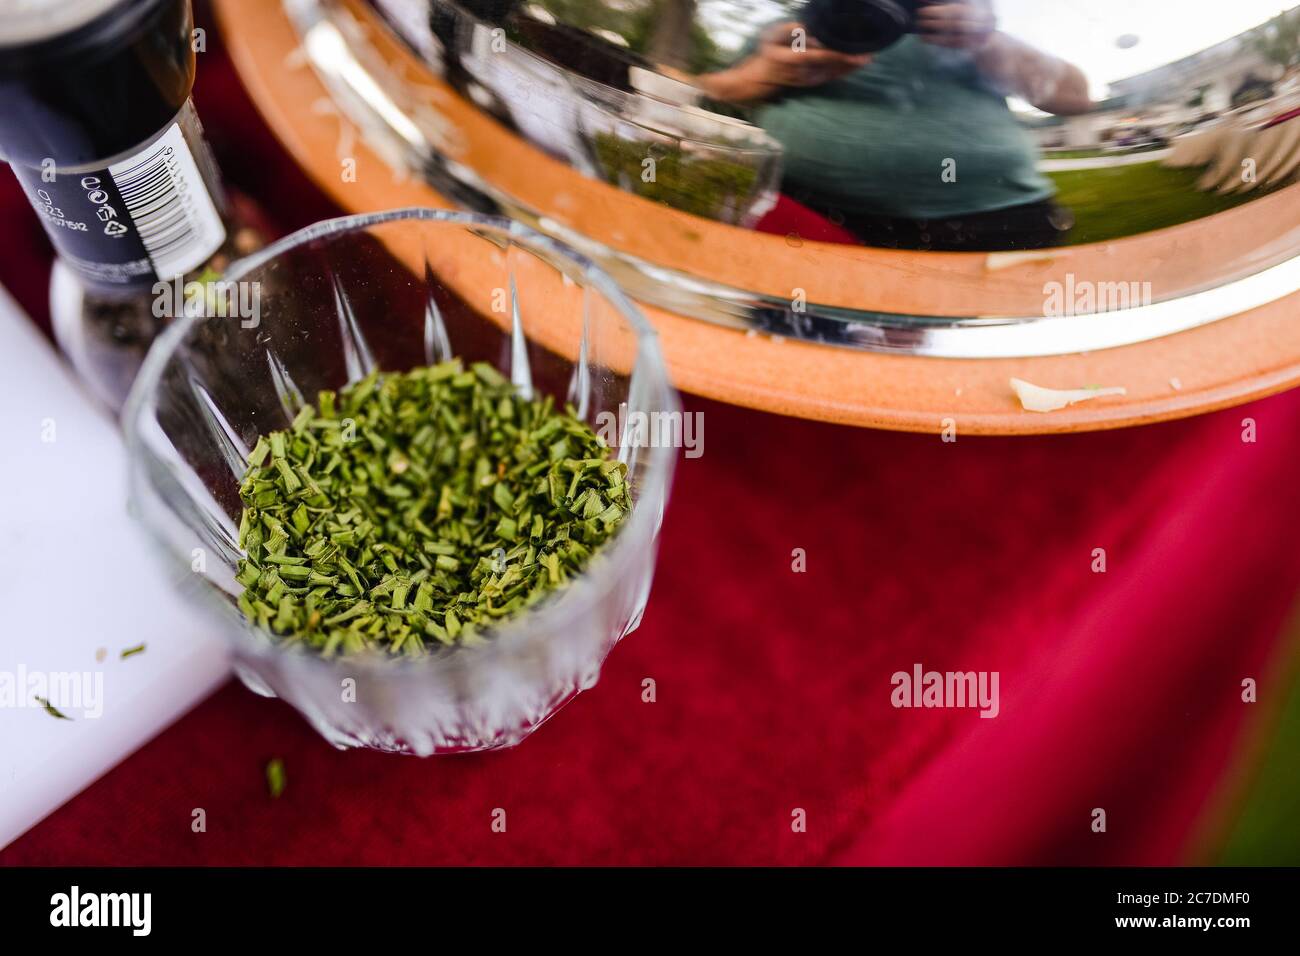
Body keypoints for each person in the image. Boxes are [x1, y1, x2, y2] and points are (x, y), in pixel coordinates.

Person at [698, 2, 1092, 250]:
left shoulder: (969, 27)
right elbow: (709, 95)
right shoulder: (796, 29)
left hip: (994, 222)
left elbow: (1075, 98)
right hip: (805, 217)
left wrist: (989, 43)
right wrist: (764, 73)